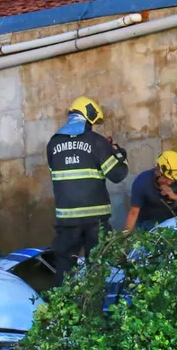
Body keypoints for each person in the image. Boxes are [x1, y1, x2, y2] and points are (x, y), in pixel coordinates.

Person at [46, 96, 129, 287]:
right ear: (88, 115)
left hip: (67, 220)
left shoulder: (52, 144)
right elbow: (117, 174)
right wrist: (118, 153)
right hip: (95, 222)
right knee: (96, 269)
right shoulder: (97, 142)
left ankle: (63, 312)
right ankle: (94, 313)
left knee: (65, 268)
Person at [124, 150, 177, 233]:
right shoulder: (142, 181)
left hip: (175, 221)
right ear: (158, 171)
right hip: (152, 223)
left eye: (172, 180)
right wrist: (124, 238)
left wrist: (173, 196)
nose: (169, 182)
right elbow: (133, 212)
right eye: (166, 178)